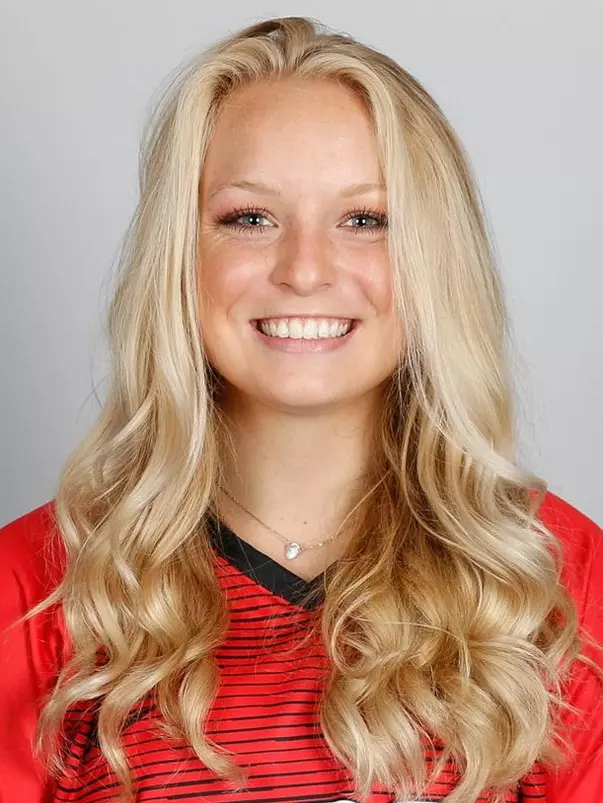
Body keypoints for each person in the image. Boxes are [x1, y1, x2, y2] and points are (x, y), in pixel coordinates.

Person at [0, 15, 601, 803]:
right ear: (180, 254)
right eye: (249, 218)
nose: (305, 270)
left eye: (365, 220)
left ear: (432, 259)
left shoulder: (554, 578)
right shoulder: (34, 591)